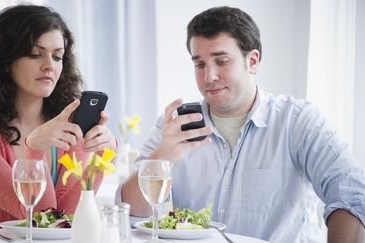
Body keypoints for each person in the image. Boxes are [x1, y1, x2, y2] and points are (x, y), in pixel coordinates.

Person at [119, 6, 365, 243]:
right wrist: (163, 156)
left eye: (222, 61)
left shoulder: (298, 121)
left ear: (253, 61)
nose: (209, 77)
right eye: (199, 64)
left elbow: (350, 194)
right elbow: (130, 211)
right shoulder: (174, 125)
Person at [0, 4, 117, 237]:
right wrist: (34, 150)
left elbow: (66, 218)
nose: (50, 65)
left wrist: (101, 155)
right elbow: (40, 218)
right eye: (35, 54)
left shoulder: (67, 127)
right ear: (6, 61)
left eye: (58, 56)